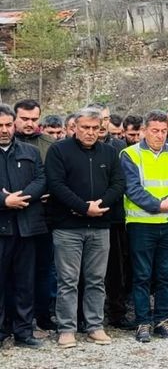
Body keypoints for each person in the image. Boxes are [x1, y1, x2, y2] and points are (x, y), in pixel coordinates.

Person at [45, 107, 125, 349]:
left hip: (100, 225)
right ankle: (66, 329)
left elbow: (118, 183)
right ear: (75, 127)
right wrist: (82, 207)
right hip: (67, 227)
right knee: (68, 280)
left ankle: (95, 326)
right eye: (85, 128)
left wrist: (99, 205)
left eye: (95, 128)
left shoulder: (109, 152)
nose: (90, 132)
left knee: (96, 280)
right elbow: (56, 184)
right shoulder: (59, 150)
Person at [120, 110, 168, 343]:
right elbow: (132, 188)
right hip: (142, 223)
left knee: (166, 275)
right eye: (155, 131)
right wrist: (158, 205)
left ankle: (162, 320)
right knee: (142, 275)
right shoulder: (130, 154)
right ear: (144, 131)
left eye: (163, 131)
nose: (160, 135)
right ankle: (143, 322)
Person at [0, 104, 47, 348]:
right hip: (2, 227)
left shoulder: (30, 151)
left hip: (26, 227)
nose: (4, 130)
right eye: (0, 126)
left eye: (8, 125)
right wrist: (4, 200)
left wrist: (23, 197)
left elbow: (41, 179)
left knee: (25, 283)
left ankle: (23, 332)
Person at [13, 99, 56, 332]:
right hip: (9, 216)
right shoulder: (8, 142)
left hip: (43, 217)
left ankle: (42, 314)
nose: (29, 123)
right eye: (24, 119)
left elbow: (54, 176)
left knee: (43, 268)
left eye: (34, 119)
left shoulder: (50, 144)